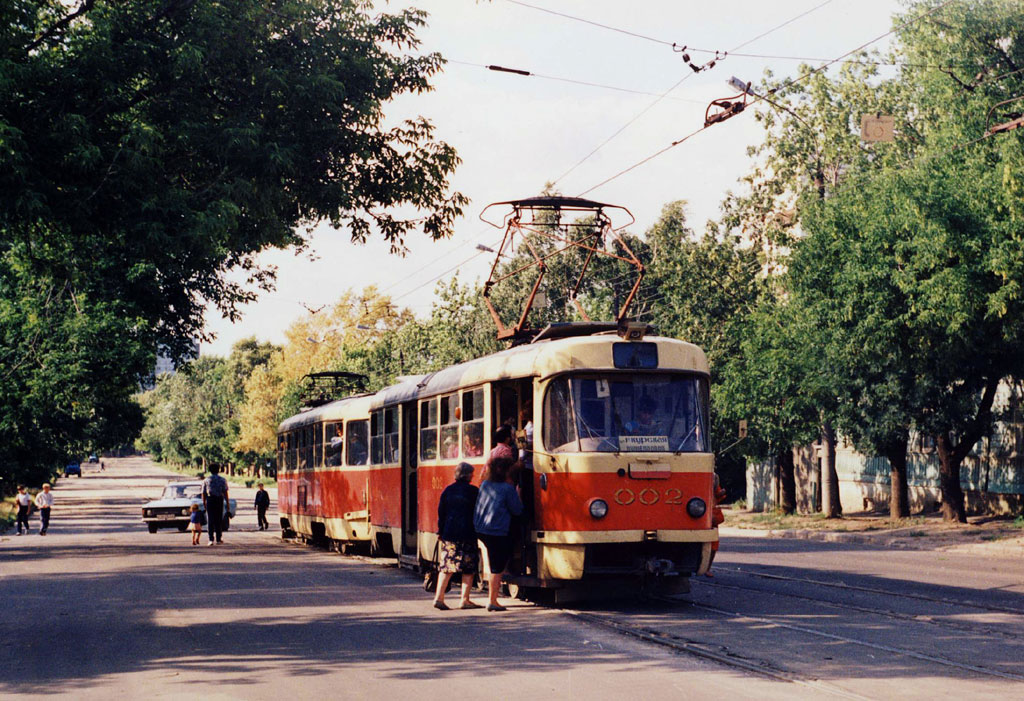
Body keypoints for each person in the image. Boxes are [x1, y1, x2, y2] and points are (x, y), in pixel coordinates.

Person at [473, 455, 523, 612]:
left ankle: (493, 598)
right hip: (497, 530)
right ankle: (493, 600)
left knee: (494, 561)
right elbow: (517, 510)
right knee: (497, 566)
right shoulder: (507, 489)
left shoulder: (485, 484)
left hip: (481, 529)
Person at [432, 462, 481, 611]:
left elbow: (442, 513)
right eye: (471, 474)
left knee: (447, 567)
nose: (473, 476)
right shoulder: (474, 491)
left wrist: (440, 531)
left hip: (450, 534)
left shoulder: (448, 490)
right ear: (467, 475)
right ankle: (464, 600)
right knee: (469, 567)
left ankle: (439, 597)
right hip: (468, 533)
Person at [202, 465, 230, 546]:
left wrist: (204, 502)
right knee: (218, 519)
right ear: (218, 470)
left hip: (210, 500)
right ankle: (218, 538)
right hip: (219, 500)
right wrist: (227, 503)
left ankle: (210, 539)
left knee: (210, 519)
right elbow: (225, 492)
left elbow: (203, 493)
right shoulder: (222, 479)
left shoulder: (207, 480)